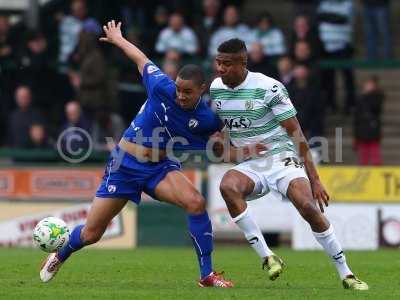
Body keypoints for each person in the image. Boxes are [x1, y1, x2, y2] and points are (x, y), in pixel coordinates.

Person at [39, 21, 258, 288]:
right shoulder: (161, 86)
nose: (180, 96)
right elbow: (140, 58)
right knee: (92, 233)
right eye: (178, 89)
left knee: (196, 202)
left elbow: (223, 147)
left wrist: (247, 150)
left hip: (159, 167)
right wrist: (118, 39)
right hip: (124, 165)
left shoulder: (207, 119)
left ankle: (206, 275)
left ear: (202, 90)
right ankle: (60, 254)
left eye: (187, 92)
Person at [209, 38, 368, 290]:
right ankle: (268, 257)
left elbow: (296, 133)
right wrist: (220, 144)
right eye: (218, 62)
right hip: (251, 163)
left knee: (307, 206)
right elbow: (219, 140)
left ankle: (346, 273)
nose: (220, 68)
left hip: (281, 158)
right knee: (227, 185)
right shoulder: (216, 89)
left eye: (226, 63)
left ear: (242, 62)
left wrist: (314, 178)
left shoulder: (269, 88)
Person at [353, 76, 384, 165]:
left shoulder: (377, 97)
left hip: (373, 131)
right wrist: (356, 135)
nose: (367, 86)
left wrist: (369, 95)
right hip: (362, 132)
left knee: (375, 156)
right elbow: (356, 118)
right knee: (363, 157)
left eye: (370, 84)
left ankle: (377, 173)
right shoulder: (360, 99)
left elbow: (376, 108)